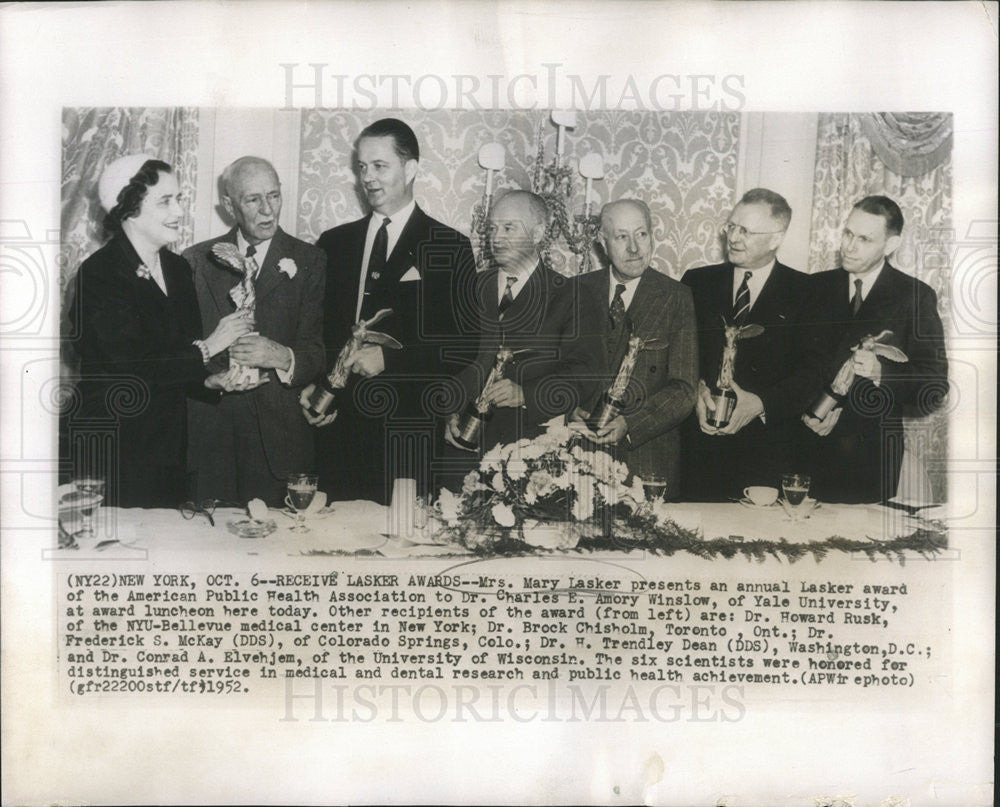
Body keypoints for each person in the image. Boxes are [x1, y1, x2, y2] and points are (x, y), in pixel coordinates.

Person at [304, 118, 476, 503]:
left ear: (410, 168)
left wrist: (389, 360)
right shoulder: (333, 243)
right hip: (337, 431)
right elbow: (318, 330)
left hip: (407, 434)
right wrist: (313, 386)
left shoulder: (448, 245)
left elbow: (464, 343)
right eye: (362, 167)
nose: (368, 177)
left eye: (380, 166)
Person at [69, 154, 254, 507]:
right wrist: (210, 346)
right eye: (165, 201)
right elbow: (129, 366)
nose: (179, 212)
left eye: (179, 199)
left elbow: (175, 359)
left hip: (168, 449)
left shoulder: (177, 267)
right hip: (114, 448)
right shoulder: (100, 273)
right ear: (130, 208)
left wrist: (208, 382)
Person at [185, 156, 326, 506]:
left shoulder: (310, 261)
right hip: (212, 441)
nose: (268, 210)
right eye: (253, 200)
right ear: (229, 205)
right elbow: (180, 353)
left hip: (280, 447)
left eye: (274, 196)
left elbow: (319, 349)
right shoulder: (195, 262)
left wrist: (280, 356)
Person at [681, 188, 826, 501]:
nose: (733, 237)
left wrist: (760, 403)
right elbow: (678, 354)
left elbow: (813, 373)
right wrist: (694, 393)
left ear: (776, 238)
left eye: (745, 231)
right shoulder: (697, 282)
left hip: (767, 454)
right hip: (699, 452)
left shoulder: (807, 292)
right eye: (731, 226)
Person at [800, 195, 948, 503]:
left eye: (865, 239)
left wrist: (884, 372)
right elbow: (794, 364)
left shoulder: (915, 296)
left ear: (891, 245)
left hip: (868, 458)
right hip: (805, 443)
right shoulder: (814, 287)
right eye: (848, 233)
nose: (850, 246)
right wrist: (807, 411)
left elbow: (934, 384)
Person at [443, 190, 604, 460]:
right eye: (492, 228)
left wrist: (526, 394)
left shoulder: (571, 296)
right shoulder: (466, 288)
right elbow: (442, 361)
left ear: (538, 233)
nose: (496, 238)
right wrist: (447, 411)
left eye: (508, 227)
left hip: (529, 455)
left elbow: (586, 371)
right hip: (459, 450)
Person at [568, 199, 697, 500]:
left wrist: (629, 424)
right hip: (577, 462)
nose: (634, 248)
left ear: (653, 236)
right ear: (602, 243)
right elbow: (556, 369)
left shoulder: (676, 298)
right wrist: (566, 408)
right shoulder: (574, 291)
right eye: (621, 236)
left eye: (641, 234)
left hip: (646, 465)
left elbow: (684, 390)